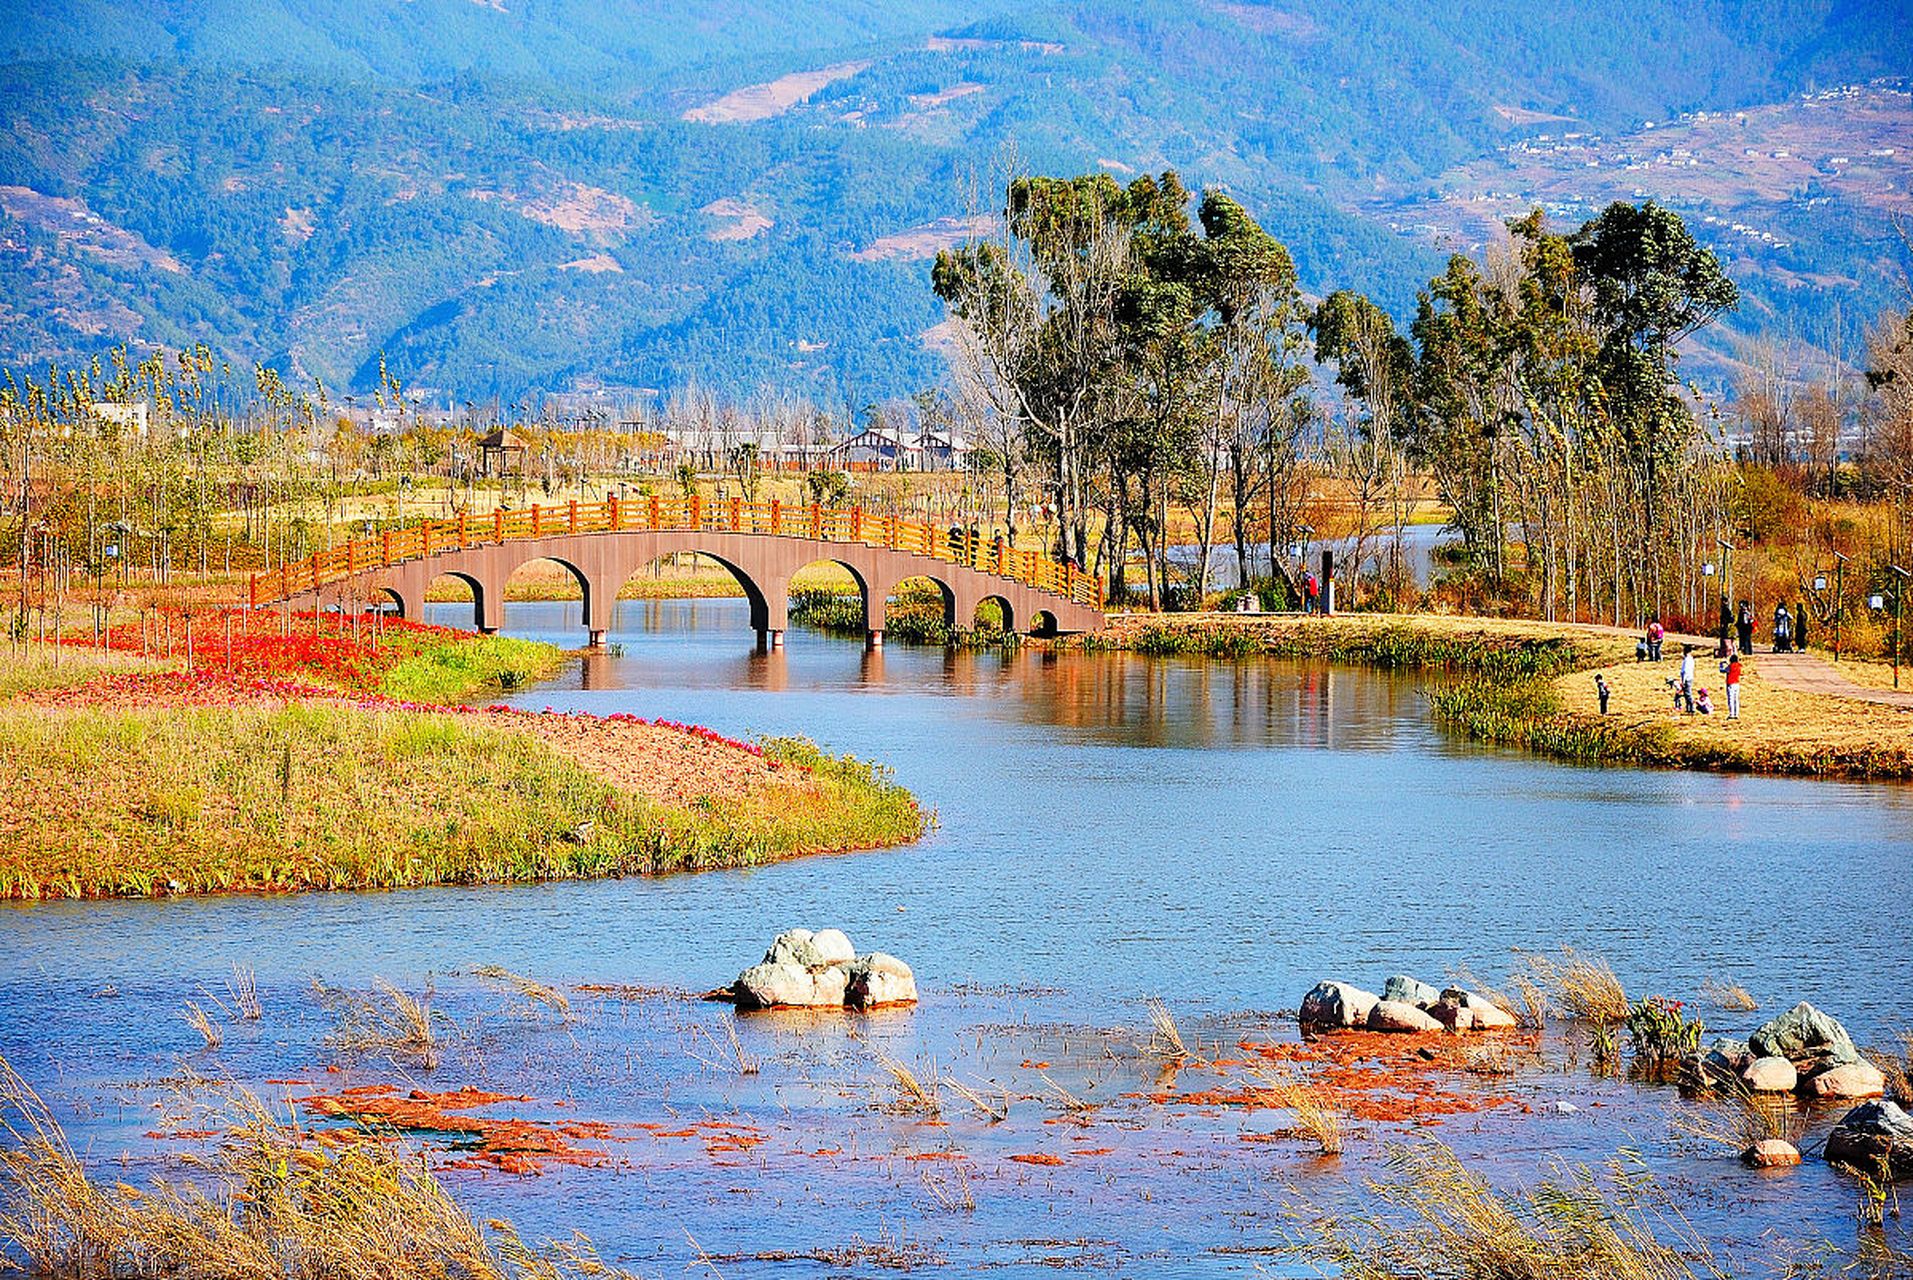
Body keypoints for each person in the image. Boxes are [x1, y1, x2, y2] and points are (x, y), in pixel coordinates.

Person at [1724, 651, 1742, 720]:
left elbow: (1723, 670)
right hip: (1737, 683)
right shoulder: (1739, 666)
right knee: (1736, 699)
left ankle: (1732, 714)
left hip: (1730, 683)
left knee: (1731, 699)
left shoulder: (1730, 666)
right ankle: (1736, 714)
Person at [1678, 645, 1696, 713]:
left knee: (1688, 694)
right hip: (1690, 677)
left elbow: (1685, 671)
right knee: (1686, 694)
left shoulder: (1687, 660)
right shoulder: (1691, 659)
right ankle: (1689, 708)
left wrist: (1683, 680)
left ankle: (1692, 707)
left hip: (1687, 678)